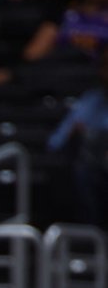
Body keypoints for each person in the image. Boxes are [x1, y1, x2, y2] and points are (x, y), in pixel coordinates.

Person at [47, 44, 108, 225]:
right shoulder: (90, 101)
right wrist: (74, 133)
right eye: (105, 65)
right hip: (95, 173)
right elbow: (55, 143)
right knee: (81, 172)